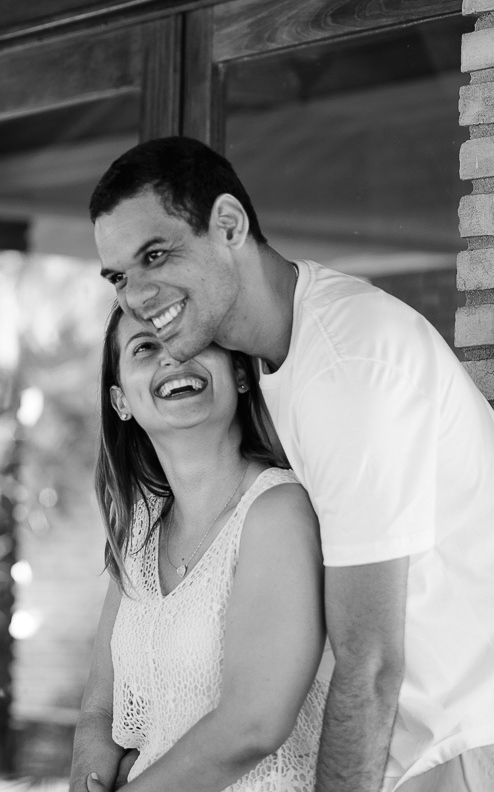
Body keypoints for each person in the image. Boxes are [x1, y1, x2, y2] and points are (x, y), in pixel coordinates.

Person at [88, 136, 494, 792]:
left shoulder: (348, 365)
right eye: (118, 276)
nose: (137, 295)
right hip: (426, 743)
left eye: (155, 255)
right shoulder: (284, 356)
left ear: (229, 225)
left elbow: (370, 663)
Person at [69, 304, 330, 792]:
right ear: (121, 401)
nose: (172, 356)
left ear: (240, 375)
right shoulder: (138, 530)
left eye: (192, 338)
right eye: (145, 347)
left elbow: (252, 726)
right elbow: (99, 712)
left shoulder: (277, 511)